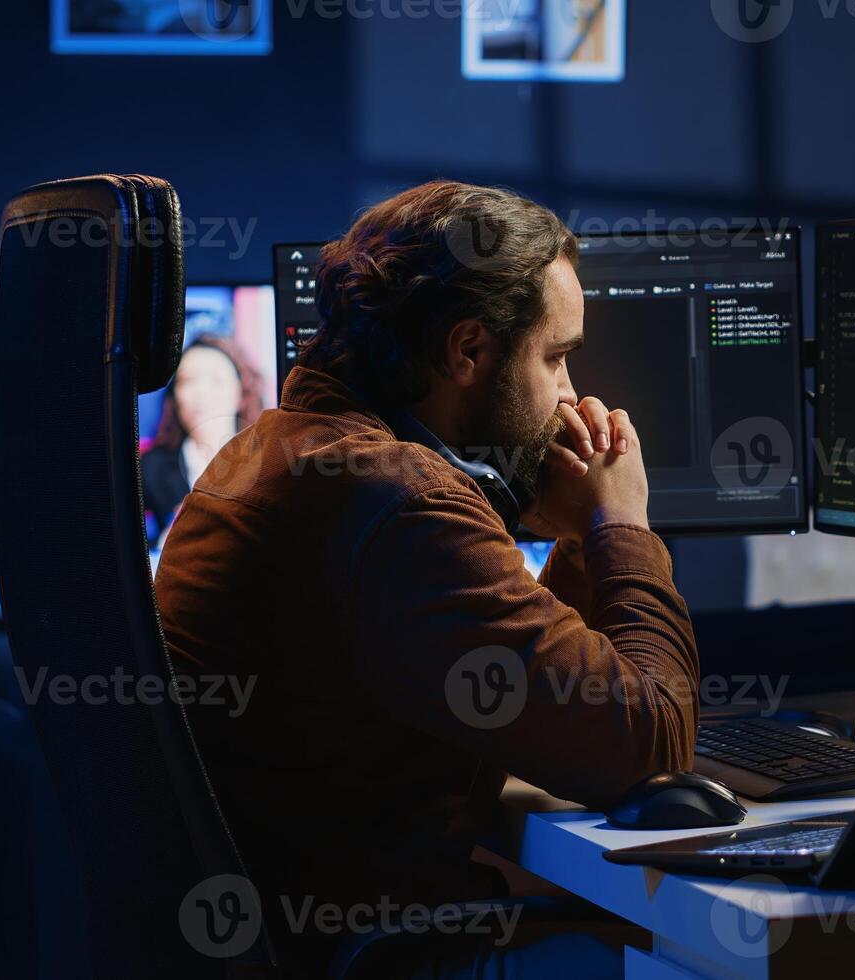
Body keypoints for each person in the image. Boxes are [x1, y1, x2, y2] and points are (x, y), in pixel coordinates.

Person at [154, 181, 698, 976]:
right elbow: (648, 744)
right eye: (555, 356)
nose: (571, 395)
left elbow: (555, 699)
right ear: (468, 351)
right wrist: (620, 523)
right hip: (373, 952)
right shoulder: (397, 503)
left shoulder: (276, 453)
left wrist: (581, 540)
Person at [140, 334, 266, 541]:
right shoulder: (151, 467)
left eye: (215, 380)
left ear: (242, 392)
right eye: (188, 380)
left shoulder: (271, 459)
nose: (201, 392)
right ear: (174, 396)